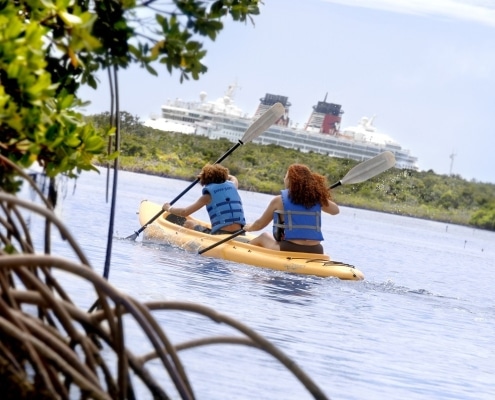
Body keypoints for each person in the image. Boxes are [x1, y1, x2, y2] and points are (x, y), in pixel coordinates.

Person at [243, 164, 339, 254]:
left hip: (290, 248)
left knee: (263, 236)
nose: (284, 179)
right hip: (316, 249)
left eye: (286, 176)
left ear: (290, 180)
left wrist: (249, 227)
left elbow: (260, 224)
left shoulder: (279, 200)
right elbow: (336, 211)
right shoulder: (317, 199)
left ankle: (243, 253)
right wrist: (320, 196)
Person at [162, 164, 246, 234]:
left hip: (220, 234)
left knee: (189, 223)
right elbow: (233, 177)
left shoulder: (207, 197)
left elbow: (185, 212)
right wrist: (218, 174)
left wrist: (168, 208)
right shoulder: (233, 186)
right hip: (239, 232)